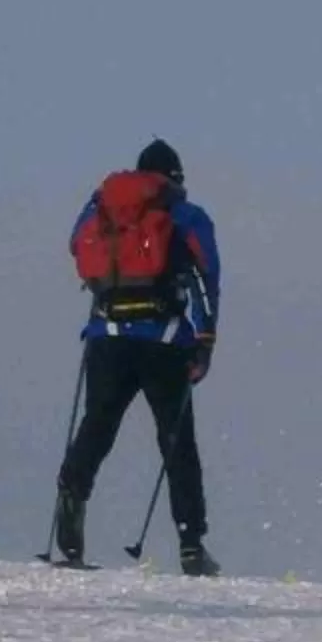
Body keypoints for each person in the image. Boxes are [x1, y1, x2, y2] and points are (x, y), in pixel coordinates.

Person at [52, 139, 222, 575]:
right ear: (176, 177)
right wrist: (204, 339)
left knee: (98, 425)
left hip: (106, 335)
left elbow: (76, 245)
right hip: (163, 340)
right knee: (176, 441)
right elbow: (207, 277)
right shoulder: (185, 214)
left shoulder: (101, 209)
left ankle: (71, 505)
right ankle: (190, 543)